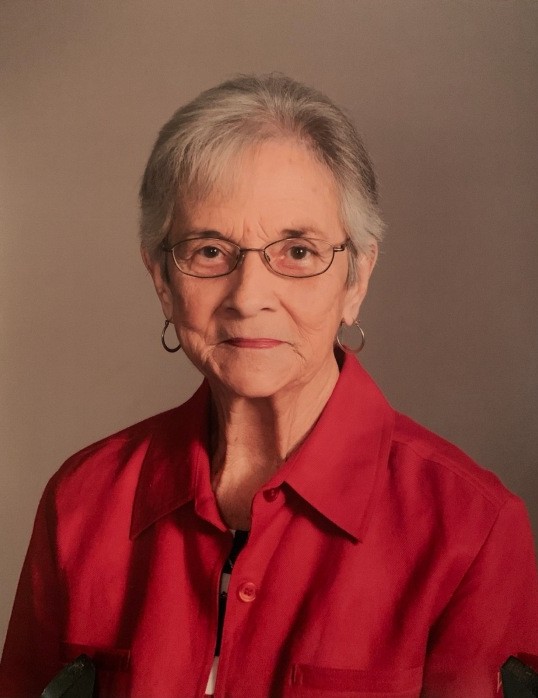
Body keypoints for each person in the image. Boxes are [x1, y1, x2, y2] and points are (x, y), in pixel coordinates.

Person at [1, 74, 537, 698]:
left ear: (357, 278)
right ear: (161, 280)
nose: (249, 296)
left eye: (298, 251)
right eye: (209, 251)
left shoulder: (472, 529)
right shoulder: (81, 502)